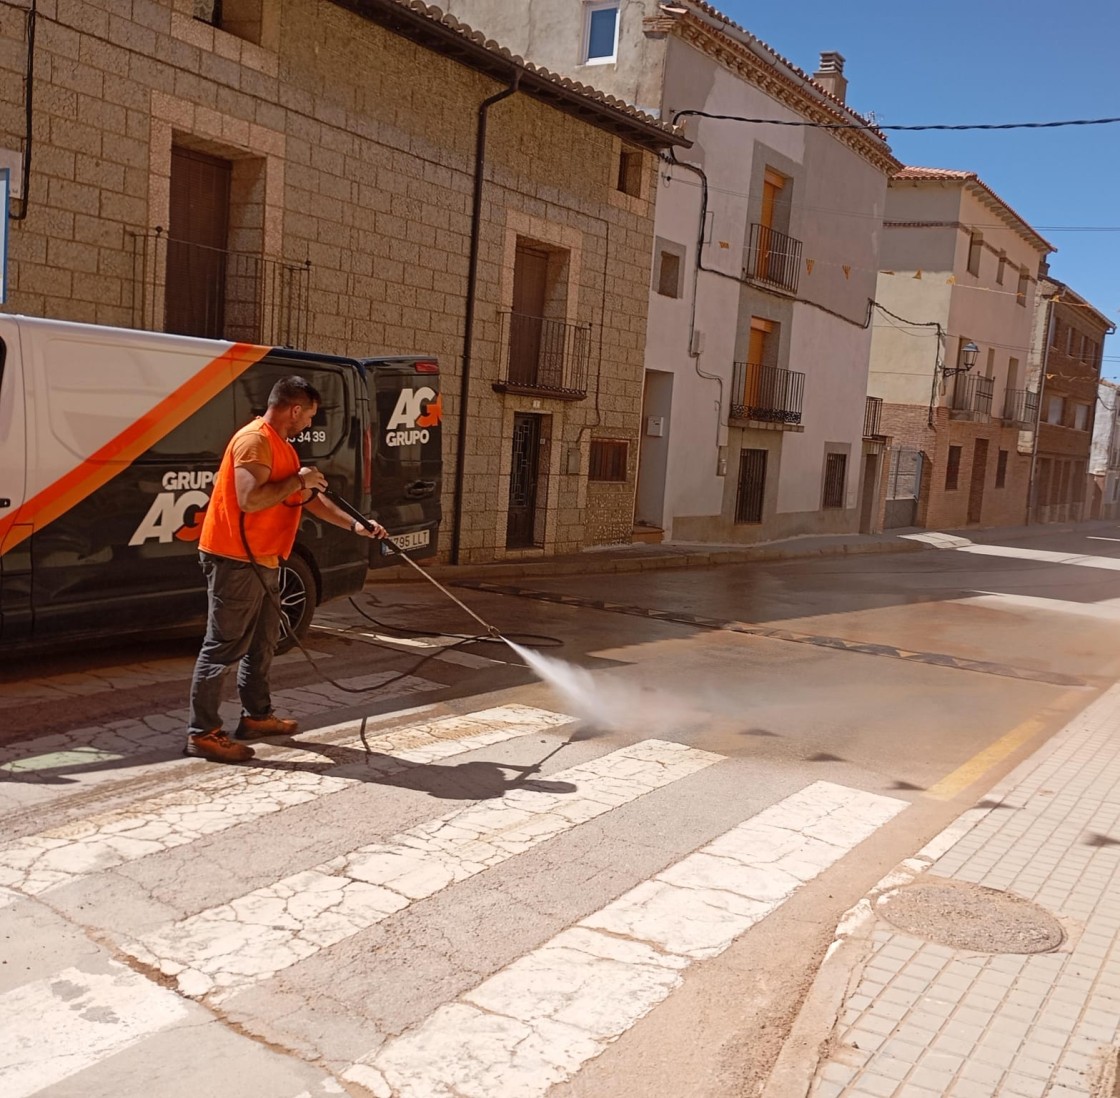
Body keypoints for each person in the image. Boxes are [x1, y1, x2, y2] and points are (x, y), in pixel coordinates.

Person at [185, 376, 387, 764]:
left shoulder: (282, 448)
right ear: (294, 410)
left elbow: (308, 500)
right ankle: (203, 733)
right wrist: (300, 479)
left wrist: (356, 525)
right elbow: (249, 499)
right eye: (309, 415)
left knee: (262, 643)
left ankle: (256, 717)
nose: (310, 423)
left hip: (264, 559)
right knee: (223, 646)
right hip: (235, 559)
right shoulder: (254, 440)